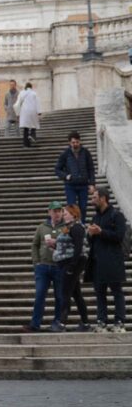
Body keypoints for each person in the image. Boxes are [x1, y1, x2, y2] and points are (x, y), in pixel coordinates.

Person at [86, 187, 127, 333]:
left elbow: (119, 237)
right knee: (99, 292)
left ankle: (119, 322)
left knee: (116, 291)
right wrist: (90, 234)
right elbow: (91, 241)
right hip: (97, 261)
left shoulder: (117, 215)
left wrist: (101, 232)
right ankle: (101, 321)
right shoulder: (95, 217)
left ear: (103, 198)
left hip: (112, 260)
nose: (92, 200)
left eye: (94, 197)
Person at [23, 201, 65, 333]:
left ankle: (57, 322)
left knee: (59, 296)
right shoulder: (42, 227)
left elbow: (68, 244)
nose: (57, 213)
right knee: (40, 294)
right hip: (43, 266)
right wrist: (36, 262)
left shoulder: (65, 227)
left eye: (59, 211)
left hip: (59, 266)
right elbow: (35, 244)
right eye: (54, 211)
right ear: (49, 212)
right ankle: (35, 324)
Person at [53, 204, 90, 332]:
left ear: (74, 214)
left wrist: (72, 266)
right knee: (76, 293)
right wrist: (54, 245)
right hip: (67, 262)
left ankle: (62, 323)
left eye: (66, 213)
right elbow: (68, 245)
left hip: (72, 262)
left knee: (65, 292)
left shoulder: (77, 227)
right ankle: (85, 323)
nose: (63, 215)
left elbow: (79, 248)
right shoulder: (68, 228)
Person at [55, 132, 96, 222]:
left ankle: (82, 225)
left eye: (77, 142)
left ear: (80, 141)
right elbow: (57, 169)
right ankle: (72, 226)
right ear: (69, 143)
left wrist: (92, 184)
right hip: (70, 185)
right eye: (73, 142)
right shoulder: (65, 154)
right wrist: (66, 176)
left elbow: (91, 169)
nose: (75, 144)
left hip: (83, 185)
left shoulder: (86, 153)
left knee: (83, 207)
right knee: (71, 207)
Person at [17, 82, 41, 147]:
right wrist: (39, 111)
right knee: (33, 125)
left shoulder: (21, 93)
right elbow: (37, 103)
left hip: (24, 112)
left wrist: (18, 113)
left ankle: (26, 144)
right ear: (31, 87)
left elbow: (18, 103)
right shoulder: (34, 93)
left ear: (26, 87)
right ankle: (32, 135)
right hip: (33, 111)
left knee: (26, 128)